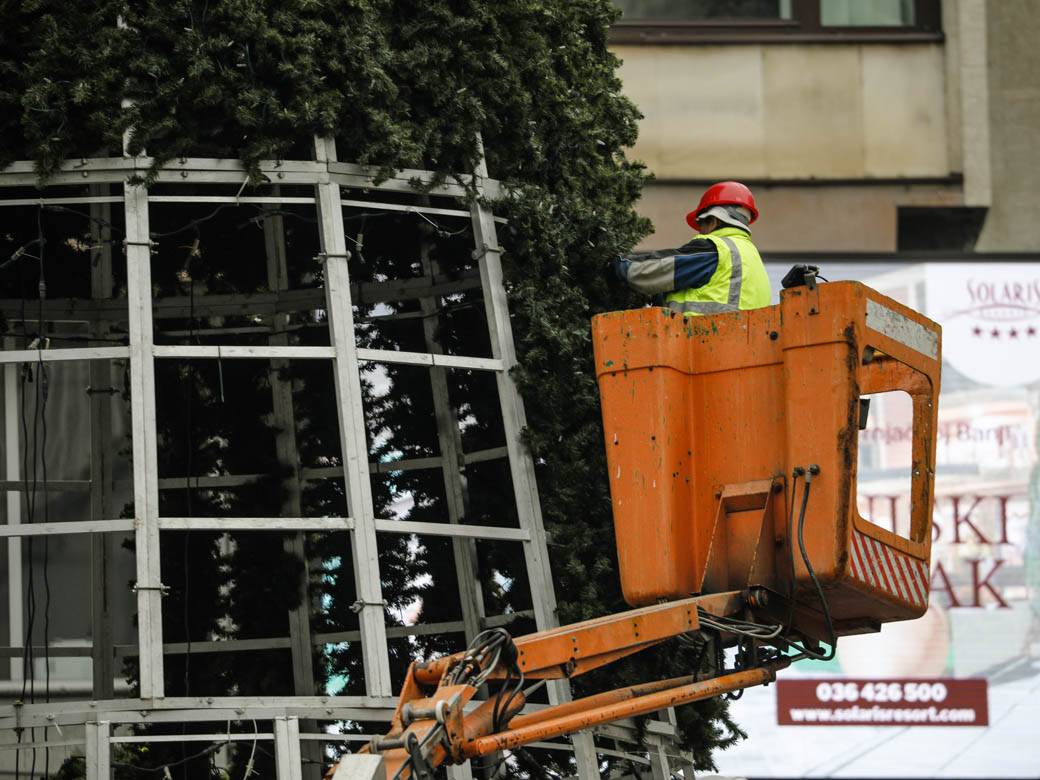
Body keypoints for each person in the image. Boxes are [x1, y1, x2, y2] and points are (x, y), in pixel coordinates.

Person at [614, 181, 772, 315]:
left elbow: (651, 271)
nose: (699, 231)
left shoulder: (715, 249)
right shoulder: (752, 259)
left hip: (701, 346)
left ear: (714, 220)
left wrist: (617, 263)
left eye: (701, 223)